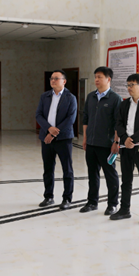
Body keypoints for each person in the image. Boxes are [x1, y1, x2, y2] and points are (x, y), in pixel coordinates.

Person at [111, 74, 139, 225]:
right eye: (128, 85)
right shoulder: (124, 104)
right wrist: (125, 139)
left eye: (132, 85)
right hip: (126, 147)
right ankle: (124, 209)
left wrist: (133, 140)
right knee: (126, 180)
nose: (129, 88)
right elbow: (118, 123)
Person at [80, 66, 122, 215]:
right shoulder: (91, 96)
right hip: (91, 143)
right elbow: (86, 118)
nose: (96, 80)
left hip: (106, 145)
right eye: (95, 77)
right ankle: (92, 202)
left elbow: (118, 123)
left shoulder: (115, 99)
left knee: (110, 175)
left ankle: (112, 204)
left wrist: (116, 142)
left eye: (100, 77)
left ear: (108, 79)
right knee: (92, 175)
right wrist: (85, 138)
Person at [35, 70, 77, 210]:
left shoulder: (70, 98)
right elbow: (38, 115)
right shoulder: (45, 96)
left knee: (67, 169)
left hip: (63, 138)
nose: (53, 80)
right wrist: (48, 129)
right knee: (48, 168)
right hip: (46, 138)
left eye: (56, 78)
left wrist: (53, 133)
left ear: (64, 81)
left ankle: (67, 199)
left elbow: (70, 119)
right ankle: (48, 197)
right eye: (51, 78)